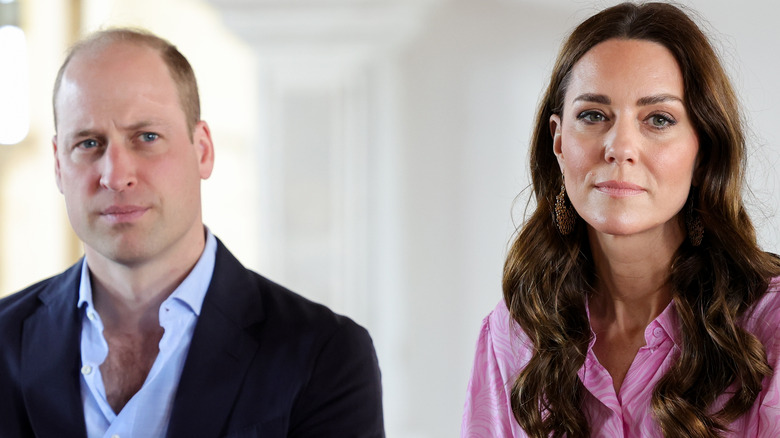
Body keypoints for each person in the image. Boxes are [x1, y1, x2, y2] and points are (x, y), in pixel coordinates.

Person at [0, 28, 384, 438]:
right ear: (59, 167)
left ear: (202, 150)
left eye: (147, 137)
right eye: (89, 143)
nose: (115, 175)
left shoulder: (324, 355)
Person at [462, 2, 780, 437]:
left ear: (702, 147)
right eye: (593, 115)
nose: (620, 146)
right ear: (557, 141)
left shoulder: (772, 326)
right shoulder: (515, 335)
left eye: (658, 119)